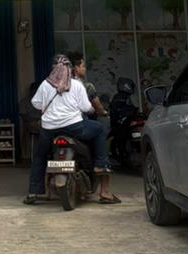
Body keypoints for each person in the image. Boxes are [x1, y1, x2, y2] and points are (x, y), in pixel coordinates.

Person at [23, 51, 120, 205]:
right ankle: (99, 165)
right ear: (69, 68)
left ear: (54, 68)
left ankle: (33, 192)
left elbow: (35, 103)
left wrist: (47, 107)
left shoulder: (45, 84)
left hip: (49, 129)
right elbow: (86, 107)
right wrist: (89, 110)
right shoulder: (76, 85)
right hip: (74, 127)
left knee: (40, 156)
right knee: (100, 129)